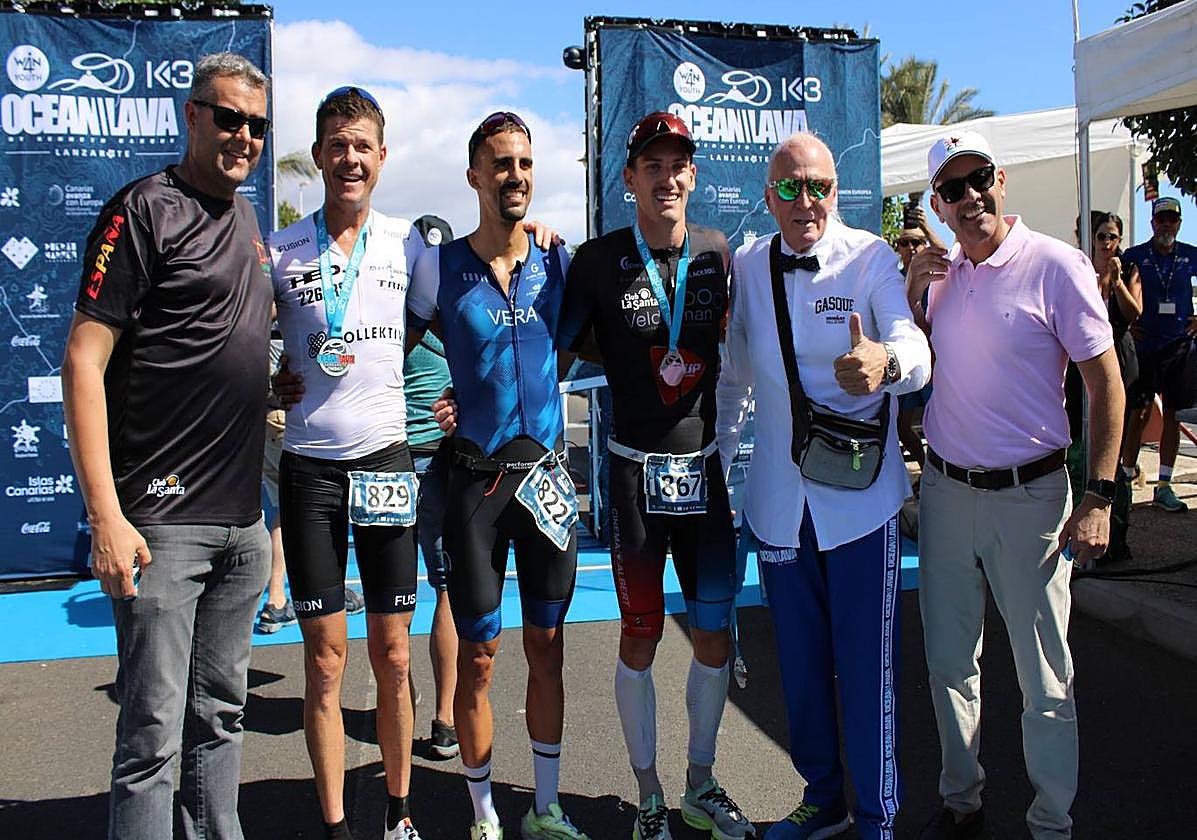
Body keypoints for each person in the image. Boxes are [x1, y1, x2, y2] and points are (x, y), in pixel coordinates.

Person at [61, 52, 273, 839]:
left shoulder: (247, 221)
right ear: (192, 116)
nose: (243, 136)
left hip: (242, 525)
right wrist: (106, 517)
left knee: (219, 720)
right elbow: (84, 360)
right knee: (151, 736)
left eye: (255, 124)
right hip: (159, 525)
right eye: (228, 118)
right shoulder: (144, 208)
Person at [905, 132, 1123, 840]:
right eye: (952, 190)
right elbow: (931, 364)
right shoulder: (941, 275)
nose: (969, 199)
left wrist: (1098, 496)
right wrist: (912, 297)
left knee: (1043, 681)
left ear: (1001, 180)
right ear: (937, 204)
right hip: (944, 492)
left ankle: (1050, 824)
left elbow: (1105, 385)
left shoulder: (1056, 266)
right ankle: (961, 801)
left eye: (978, 181)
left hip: (1031, 500)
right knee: (946, 664)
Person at [716, 132, 931, 840]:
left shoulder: (868, 257)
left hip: (859, 504)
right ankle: (822, 798)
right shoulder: (748, 264)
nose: (803, 201)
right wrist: (718, 469)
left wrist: (886, 365)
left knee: (867, 673)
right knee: (802, 671)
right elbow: (735, 378)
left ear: (835, 191)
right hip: (779, 506)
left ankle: (875, 819)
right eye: (787, 187)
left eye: (817, 187)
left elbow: (913, 346)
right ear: (768, 194)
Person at [559, 111, 754, 840]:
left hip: (702, 478)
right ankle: (647, 795)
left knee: (713, 640)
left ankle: (700, 782)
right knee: (638, 638)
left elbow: (745, 344)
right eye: (651, 165)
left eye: (678, 165)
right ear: (629, 179)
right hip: (635, 481)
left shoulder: (716, 253)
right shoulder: (597, 260)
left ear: (692, 176)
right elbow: (556, 351)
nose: (665, 177)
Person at [406, 112, 586, 840]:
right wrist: (449, 398)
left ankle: (544, 807)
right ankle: (482, 813)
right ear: (474, 176)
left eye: (524, 163)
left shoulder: (558, 262)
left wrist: (532, 391)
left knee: (548, 647)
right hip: (472, 487)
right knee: (478, 656)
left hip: (543, 484)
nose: (514, 176)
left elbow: (568, 347)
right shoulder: (438, 266)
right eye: (499, 164)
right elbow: (399, 345)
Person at [269, 86, 424, 840]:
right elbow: (237, 339)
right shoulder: (283, 248)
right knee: (326, 662)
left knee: (393, 656)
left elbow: (466, 309)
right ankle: (334, 824)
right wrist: (266, 383)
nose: (348, 157)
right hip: (310, 471)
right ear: (321, 152)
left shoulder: (410, 243)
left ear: (382, 156)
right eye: (336, 144)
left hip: (387, 464)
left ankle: (398, 814)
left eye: (362, 144)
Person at [405, 213, 460, 759]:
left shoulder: (399, 310)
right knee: (443, 587)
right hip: (431, 463)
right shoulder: (458, 312)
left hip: (401, 463)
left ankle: (414, 716)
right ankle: (442, 720)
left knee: (397, 595)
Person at [1119, 196, 1197, 513]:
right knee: (1138, 414)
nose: (1166, 224)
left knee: (1174, 417)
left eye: (1172, 219)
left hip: (1179, 347)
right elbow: (1115, 289)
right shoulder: (1135, 255)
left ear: (1179, 223)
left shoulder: (1189, 255)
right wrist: (1125, 324)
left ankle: (1163, 486)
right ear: (1153, 222)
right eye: (1161, 218)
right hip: (1145, 347)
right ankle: (1124, 478)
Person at [894, 210, 944, 474]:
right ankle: (926, 472)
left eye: (917, 242)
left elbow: (950, 255)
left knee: (939, 424)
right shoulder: (891, 276)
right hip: (906, 364)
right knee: (902, 427)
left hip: (936, 364)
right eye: (905, 242)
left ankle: (937, 477)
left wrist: (927, 227)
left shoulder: (937, 273)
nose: (911, 248)